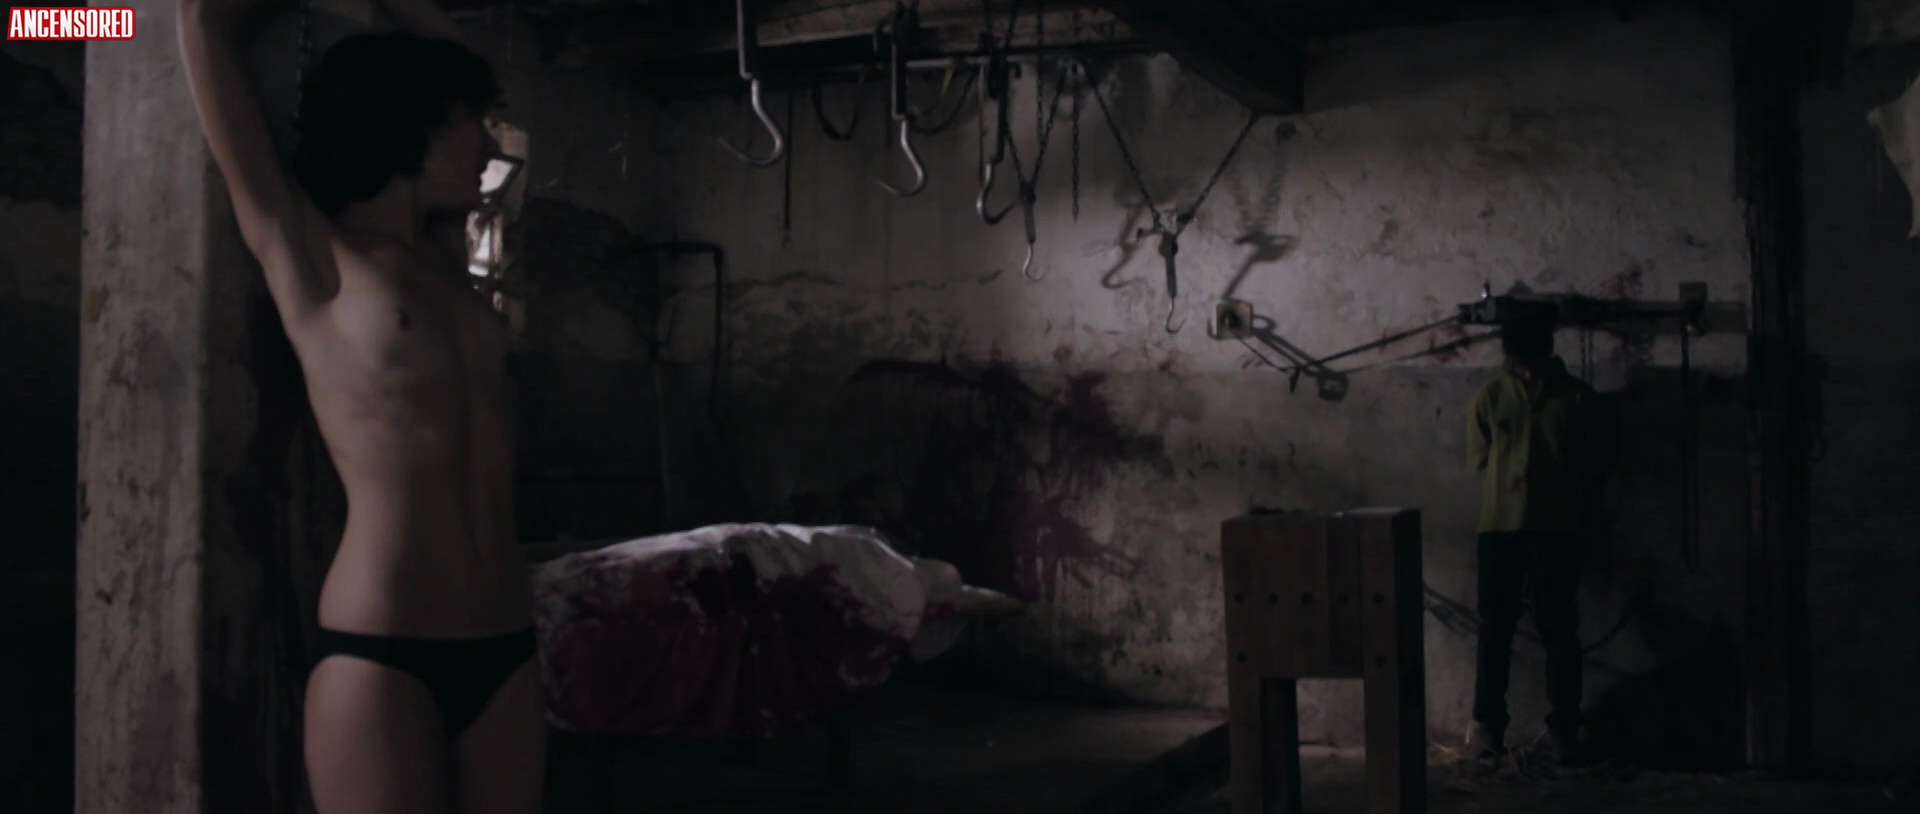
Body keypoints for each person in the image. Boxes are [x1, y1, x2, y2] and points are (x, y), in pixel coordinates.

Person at [177, 1, 542, 811]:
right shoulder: (313, 252)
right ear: (413, 129)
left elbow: (457, 51)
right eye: (473, 127)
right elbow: (199, 22)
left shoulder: (448, 261)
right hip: (384, 650)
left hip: (507, 640)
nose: (490, 148)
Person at [1465, 315, 1604, 766]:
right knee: (1495, 631)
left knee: (1559, 631)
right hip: (1501, 528)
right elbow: (1480, 459)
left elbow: (1592, 463)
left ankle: (1563, 730)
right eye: (1516, 362)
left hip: (1557, 530)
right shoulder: (1490, 396)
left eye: (1530, 361)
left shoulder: (1577, 399)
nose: (1523, 370)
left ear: (1547, 355)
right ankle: (1488, 728)